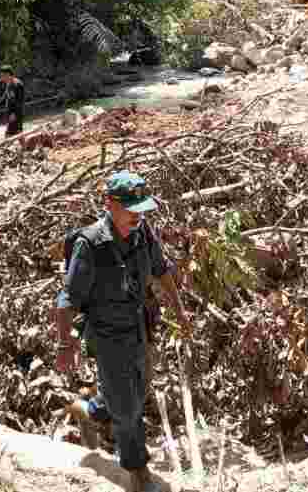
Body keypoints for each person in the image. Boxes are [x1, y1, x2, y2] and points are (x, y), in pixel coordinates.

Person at [55, 171, 190, 492]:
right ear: (110, 204)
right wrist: (65, 346)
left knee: (139, 391)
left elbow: (161, 270)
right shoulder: (90, 244)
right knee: (128, 409)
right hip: (107, 335)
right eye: (131, 209)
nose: (138, 216)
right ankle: (138, 472)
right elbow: (66, 301)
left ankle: (90, 411)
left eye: (142, 209)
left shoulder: (143, 233)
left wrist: (179, 310)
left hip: (140, 328)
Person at [0, 64, 25, 138]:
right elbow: (6, 96)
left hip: (15, 114)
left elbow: (19, 101)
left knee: (8, 135)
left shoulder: (16, 84)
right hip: (11, 114)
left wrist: (14, 113)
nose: (2, 78)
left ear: (7, 74)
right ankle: (25, 148)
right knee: (19, 133)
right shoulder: (9, 83)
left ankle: (5, 148)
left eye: (3, 75)